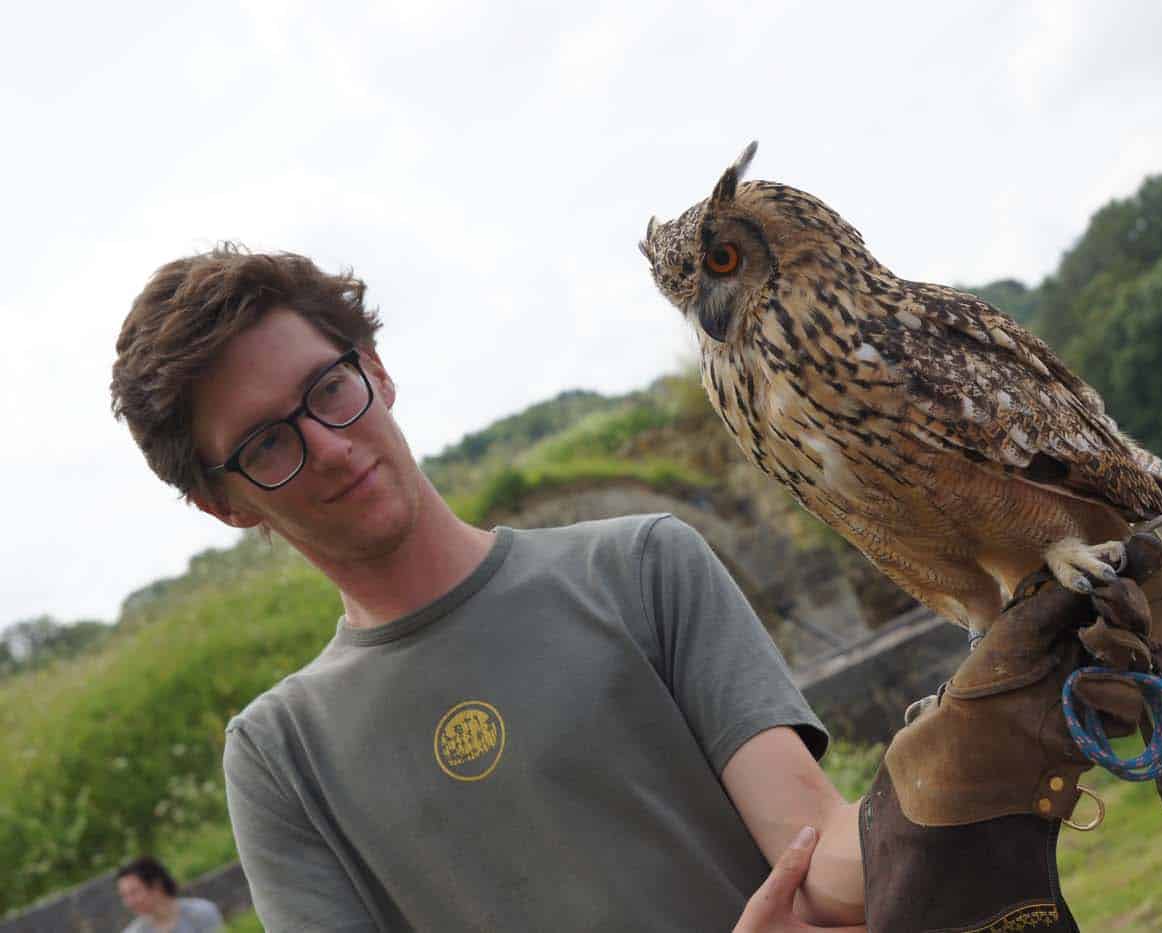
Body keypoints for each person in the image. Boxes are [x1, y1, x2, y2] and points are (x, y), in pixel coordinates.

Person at [110, 246, 864, 931]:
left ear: (375, 368)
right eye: (268, 442)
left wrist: (943, 798)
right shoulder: (280, 758)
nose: (331, 447)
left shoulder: (644, 567)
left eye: (329, 388)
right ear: (227, 504)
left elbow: (813, 852)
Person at [116, 856, 223, 933]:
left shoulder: (201, 913)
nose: (129, 903)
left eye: (134, 892)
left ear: (156, 886)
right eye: (124, 896)